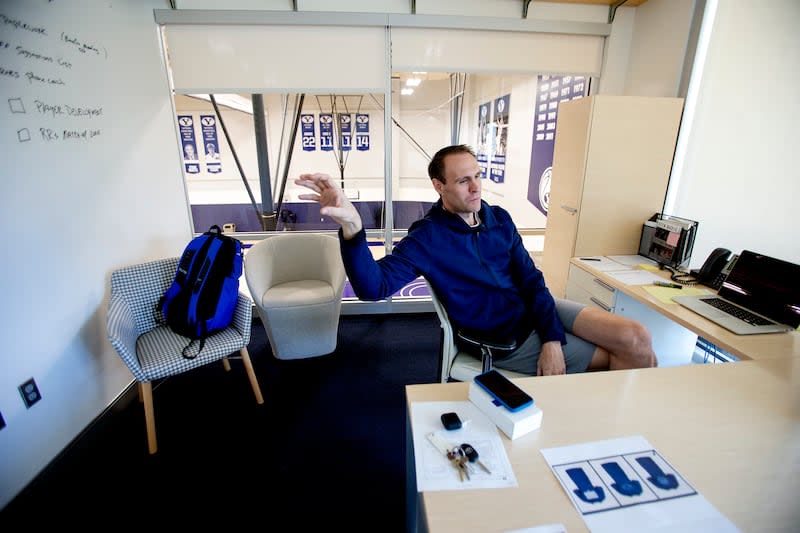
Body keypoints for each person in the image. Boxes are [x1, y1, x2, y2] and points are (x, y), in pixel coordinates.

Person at [295, 144, 657, 376]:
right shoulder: (428, 238)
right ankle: (616, 433)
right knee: (624, 360)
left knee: (636, 336)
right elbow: (373, 288)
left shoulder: (498, 218)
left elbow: (531, 281)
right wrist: (353, 228)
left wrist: (551, 338)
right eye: (463, 181)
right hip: (506, 337)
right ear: (439, 186)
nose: (476, 187)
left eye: (478, 176)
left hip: (532, 310)